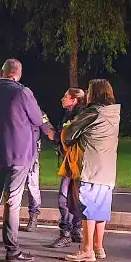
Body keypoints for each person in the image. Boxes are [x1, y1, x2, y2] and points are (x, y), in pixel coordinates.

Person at [0, 59, 54, 262]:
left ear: (2, 72)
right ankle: (12, 250)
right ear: (18, 74)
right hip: (18, 157)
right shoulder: (23, 93)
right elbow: (37, 119)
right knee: (12, 202)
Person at [62, 79, 120, 262]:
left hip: (90, 168)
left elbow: (69, 134)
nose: (86, 93)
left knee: (88, 209)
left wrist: (64, 130)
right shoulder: (113, 114)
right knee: (100, 210)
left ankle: (87, 250)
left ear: (94, 93)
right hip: (108, 170)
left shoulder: (92, 112)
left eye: (89, 90)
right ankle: (98, 247)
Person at [50, 88, 86, 247]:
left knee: (64, 198)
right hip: (71, 162)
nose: (62, 99)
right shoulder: (69, 114)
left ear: (74, 100)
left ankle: (66, 233)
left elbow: (70, 135)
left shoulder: (78, 116)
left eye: (66, 96)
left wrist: (56, 136)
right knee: (75, 198)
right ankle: (75, 231)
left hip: (74, 163)